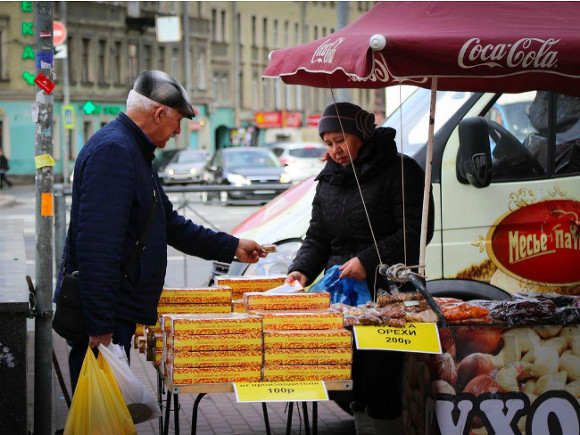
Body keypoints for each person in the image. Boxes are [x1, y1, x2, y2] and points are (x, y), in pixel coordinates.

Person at [54, 70, 268, 392]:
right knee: (98, 417)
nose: (178, 131)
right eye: (177, 122)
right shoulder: (115, 152)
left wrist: (232, 246)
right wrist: (99, 326)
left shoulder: (134, 151)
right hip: (103, 319)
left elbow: (168, 223)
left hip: (114, 311)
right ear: (159, 113)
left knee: (108, 415)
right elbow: (97, 247)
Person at [285, 102, 433, 435]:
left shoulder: (401, 170)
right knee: (350, 378)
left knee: (383, 377)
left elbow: (415, 232)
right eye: (327, 143)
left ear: (361, 135)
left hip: (392, 295)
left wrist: (367, 261)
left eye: (340, 140)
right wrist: (302, 269)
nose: (334, 150)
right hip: (343, 297)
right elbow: (318, 237)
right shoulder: (329, 181)